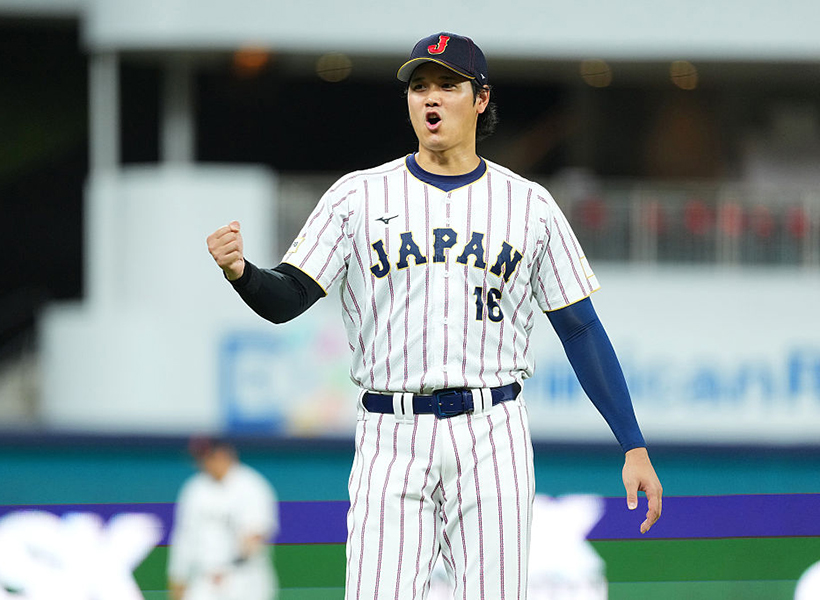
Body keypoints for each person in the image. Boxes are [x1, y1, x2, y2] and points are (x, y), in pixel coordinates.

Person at [206, 32, 662, 600]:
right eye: (419, 86)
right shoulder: (359, 197)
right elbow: (288, 297)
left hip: (491, 426)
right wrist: (241, 272)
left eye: (448, 85)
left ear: (480, 99)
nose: (431, 98)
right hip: (390, 429)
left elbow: (580, 327)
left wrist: (632, 442)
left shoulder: (529, 205)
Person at [167, 437, 279, 600]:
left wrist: (229, 565)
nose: (202, 463)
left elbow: (256, 534)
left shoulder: (251, 486)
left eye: (206, 457)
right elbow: (184, 536)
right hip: (204, 578)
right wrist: (178, 576)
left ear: (222, 455)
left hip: (244, 579)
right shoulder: (195, 488)